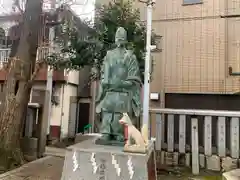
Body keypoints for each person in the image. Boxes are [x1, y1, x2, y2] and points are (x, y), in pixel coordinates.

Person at [96, 27, 142, 143]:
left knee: (121, 114)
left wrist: (123, 83)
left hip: (123, 92)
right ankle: (106, 132)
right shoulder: (109, 55)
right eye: (118, 35)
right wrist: (104, 81)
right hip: (110, 91)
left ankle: (119, 134)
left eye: (122, 36)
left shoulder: (130, 57)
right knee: (107, 111)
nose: (119, 38)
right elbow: (103, 73)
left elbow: (134, 78)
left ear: (125, 39)